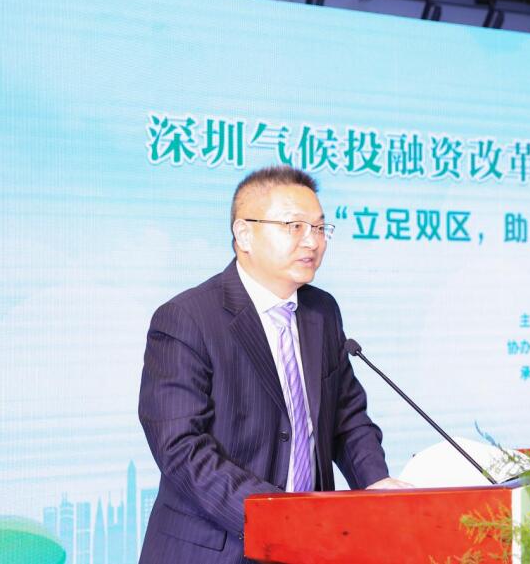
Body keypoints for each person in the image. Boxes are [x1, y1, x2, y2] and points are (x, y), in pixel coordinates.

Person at [138, 166, 410, 564]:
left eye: (320, 228)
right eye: (294, 226)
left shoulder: (322, 311)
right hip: (218, 547)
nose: (312, 241)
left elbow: (346, 415)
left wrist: (375, 482)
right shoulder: (187, 319)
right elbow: (181, 447)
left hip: (311, 544)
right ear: (244, 234)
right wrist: (279, 518)